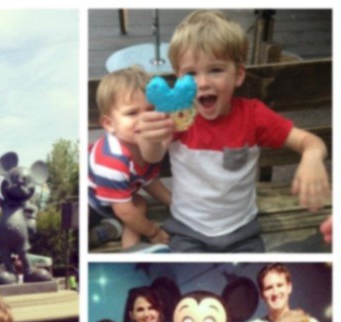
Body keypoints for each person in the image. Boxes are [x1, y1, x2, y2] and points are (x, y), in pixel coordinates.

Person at [137, 11, 329, 253]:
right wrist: (149, 138)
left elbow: (310, 142)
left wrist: (312, 157)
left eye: (215, 70)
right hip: (187, 229)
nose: (203, 82)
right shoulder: (178, 116)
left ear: (238, 74)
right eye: (191, 74)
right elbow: (151, 157)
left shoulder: (254, 115)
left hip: (242, 231)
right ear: (179, 78)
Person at [88, 66, 172, 249]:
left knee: (139, 203)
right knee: (130, 210)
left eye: (150, 110)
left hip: (117, 200)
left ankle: (127, 246)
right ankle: (102, 233)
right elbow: (124, 211)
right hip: (90, 203)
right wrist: (154, 232)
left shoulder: (148, 144)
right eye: (132, 113)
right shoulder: (111, 161)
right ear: (109, 124)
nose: (144, 119)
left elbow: (149, 179)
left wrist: (173, 203)